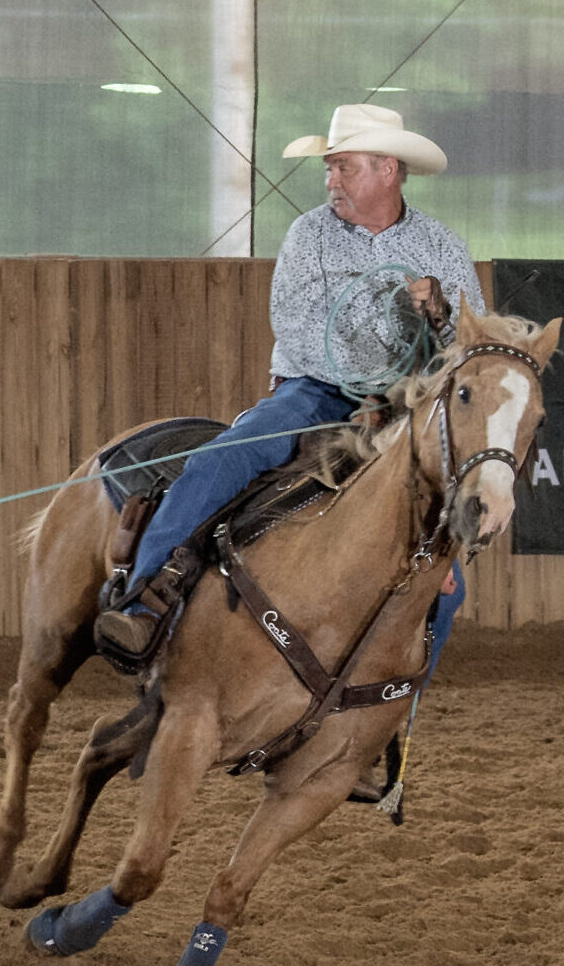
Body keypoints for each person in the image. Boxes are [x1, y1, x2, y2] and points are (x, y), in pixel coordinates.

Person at [95, 104, 485, 671]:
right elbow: (297, 329)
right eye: (330, 169)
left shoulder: (442, 246)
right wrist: (369, 383)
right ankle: (144, 603)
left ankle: (402, 693)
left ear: (387, 170)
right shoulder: (310, 235)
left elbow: (470, 348)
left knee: (445, 582)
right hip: (314, 394)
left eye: (343, 167)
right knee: (222, 459)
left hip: (407, 412)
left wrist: (441, 316)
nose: (330, 182)